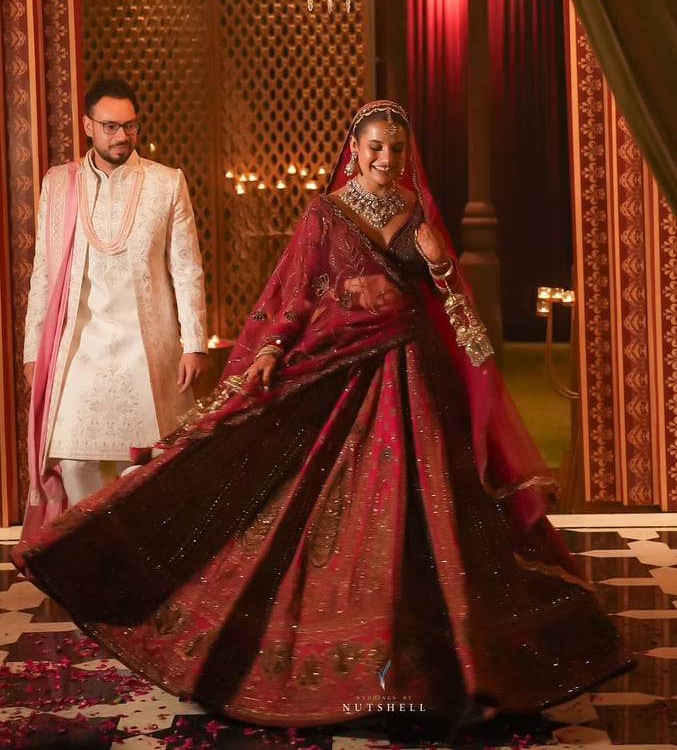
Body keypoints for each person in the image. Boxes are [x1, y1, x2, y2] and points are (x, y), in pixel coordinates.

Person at [13, 100, 633, 731]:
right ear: (353, 149)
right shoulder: (325, 214)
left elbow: (454, 309)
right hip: (344, 373)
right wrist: (274, 349)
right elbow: (296, 292)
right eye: (374, 147)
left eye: (395, 148)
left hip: (417, 377)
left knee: (435, 513)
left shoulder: (418, 214)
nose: (385, 158)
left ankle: (440, 667)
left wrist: (440, 260)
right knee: (335, 506)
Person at [21, 77, 208, 533]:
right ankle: (90, 556)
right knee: (75, 458)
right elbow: (44, 273)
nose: (121, 136)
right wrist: (33, 351)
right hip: (79, 350)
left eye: (130, 126)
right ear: (87, 126)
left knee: (144, 461)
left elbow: (187, 268)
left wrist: (195, 343)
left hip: (147, 349)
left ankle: (137, 560)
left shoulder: (166, 184)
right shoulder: (59, 185)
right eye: (110, 126)